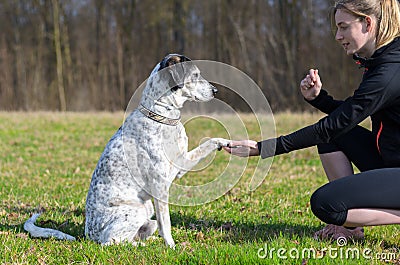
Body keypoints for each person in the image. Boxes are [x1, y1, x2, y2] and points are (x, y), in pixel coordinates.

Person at [224, 0, 400, 241]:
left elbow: (331, 126)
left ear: (367, 23)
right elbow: (346, 118)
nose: (338, 36)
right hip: (391, 162)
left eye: (343, 27)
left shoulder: (389, 71)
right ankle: (350, 230)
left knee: (326, 205)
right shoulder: (384, 60)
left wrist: (263, 147)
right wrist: (320, 99)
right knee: (336, 137)